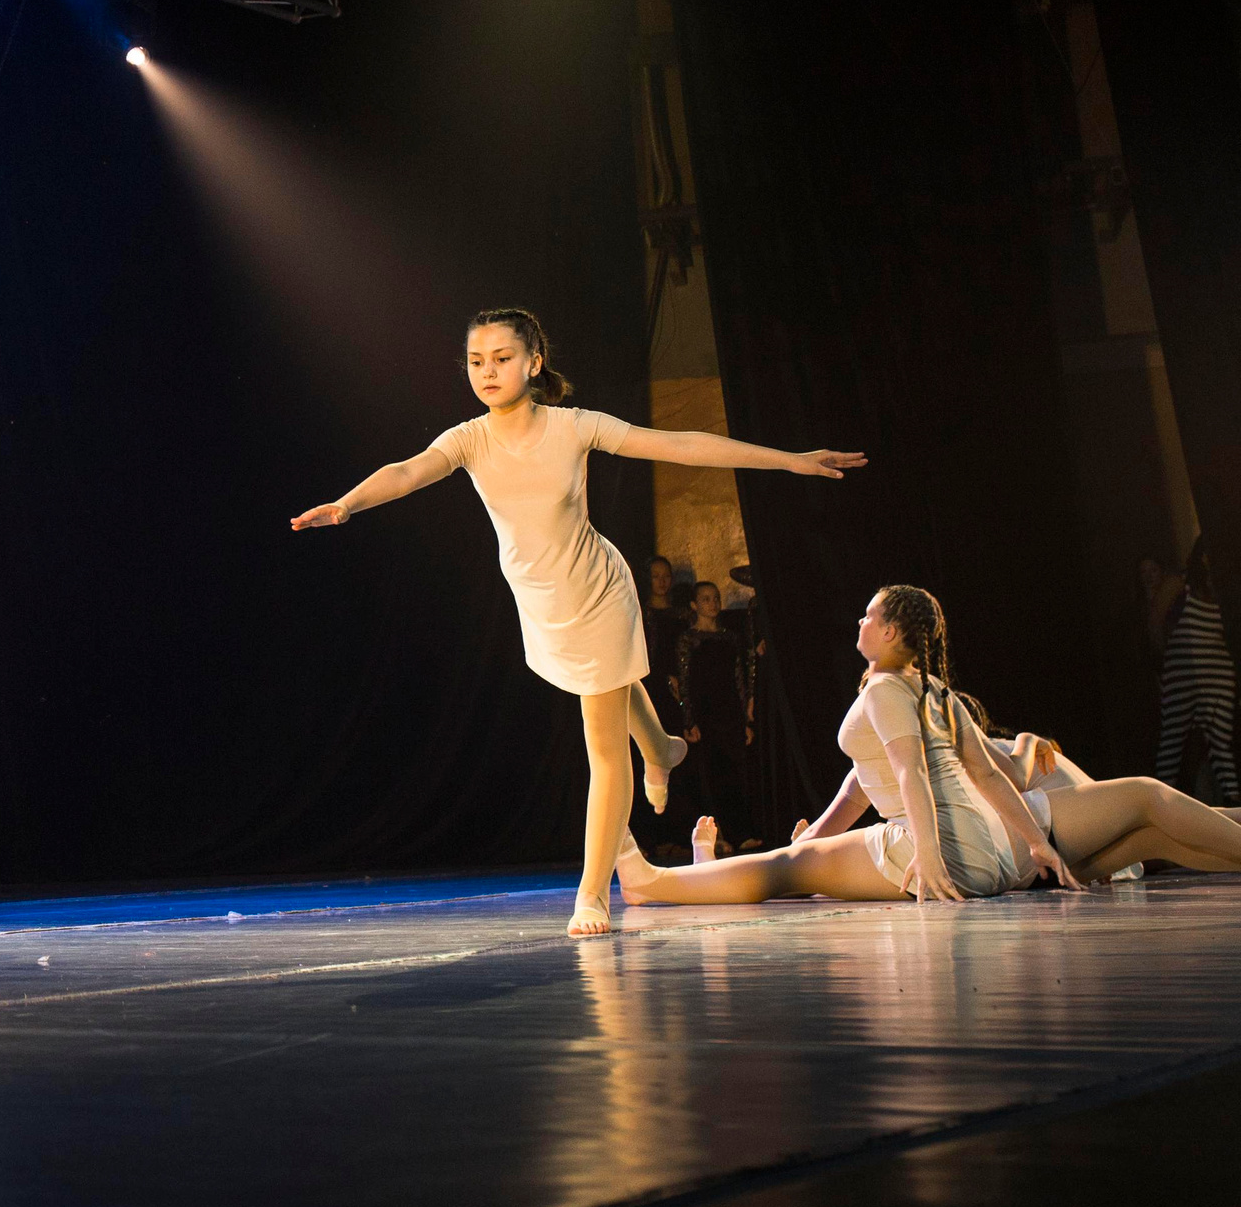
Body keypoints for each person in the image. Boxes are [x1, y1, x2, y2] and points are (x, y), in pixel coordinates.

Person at [291, 306, 865, 935]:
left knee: (602, 740)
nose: (487, 372)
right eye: (476, 361)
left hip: (596, 592)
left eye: (502, 358)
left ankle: (593, 893)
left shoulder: (574, 427)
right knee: (614, 687)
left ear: (534, 363)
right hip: (541, 603)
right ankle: (664, 749)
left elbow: (678, 446)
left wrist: (787, 459)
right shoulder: (467, 440)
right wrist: (348, 505)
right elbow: (408, 472)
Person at [617, 584, 1241, 907]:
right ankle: (683, 876)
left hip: (946, 850)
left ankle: (652, 883)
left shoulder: (888, 689)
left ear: (890, 632)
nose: (859, 624)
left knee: (785, 872)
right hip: (1000, 852)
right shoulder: (933, 688)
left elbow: (912, 779)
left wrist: (934, 861)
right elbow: (981, 779)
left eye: (868, 617)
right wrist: (1035, 847)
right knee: (1149, 816)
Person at [1155, 536, 1237, 804]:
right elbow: (1156, 626)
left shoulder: (1225, 589)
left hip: (1217, 673)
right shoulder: (1181, 584)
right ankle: (1160, 810)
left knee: (1221, 748)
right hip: (1184, 673)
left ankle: (1235, 809)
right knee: (1172, 746)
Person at [671, 580, 751, 847]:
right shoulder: (689, 639)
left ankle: (740, 833)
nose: (713, 603)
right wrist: (689, 719)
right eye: (706, 599)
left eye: (716, 598)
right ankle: (717, 837)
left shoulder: (730, 637)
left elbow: (739, 678)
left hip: (729, 712)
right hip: (704, 715)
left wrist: (746, 719)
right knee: (709, 777)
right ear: (694, 605)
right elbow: (684, 681)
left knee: (735, 775)